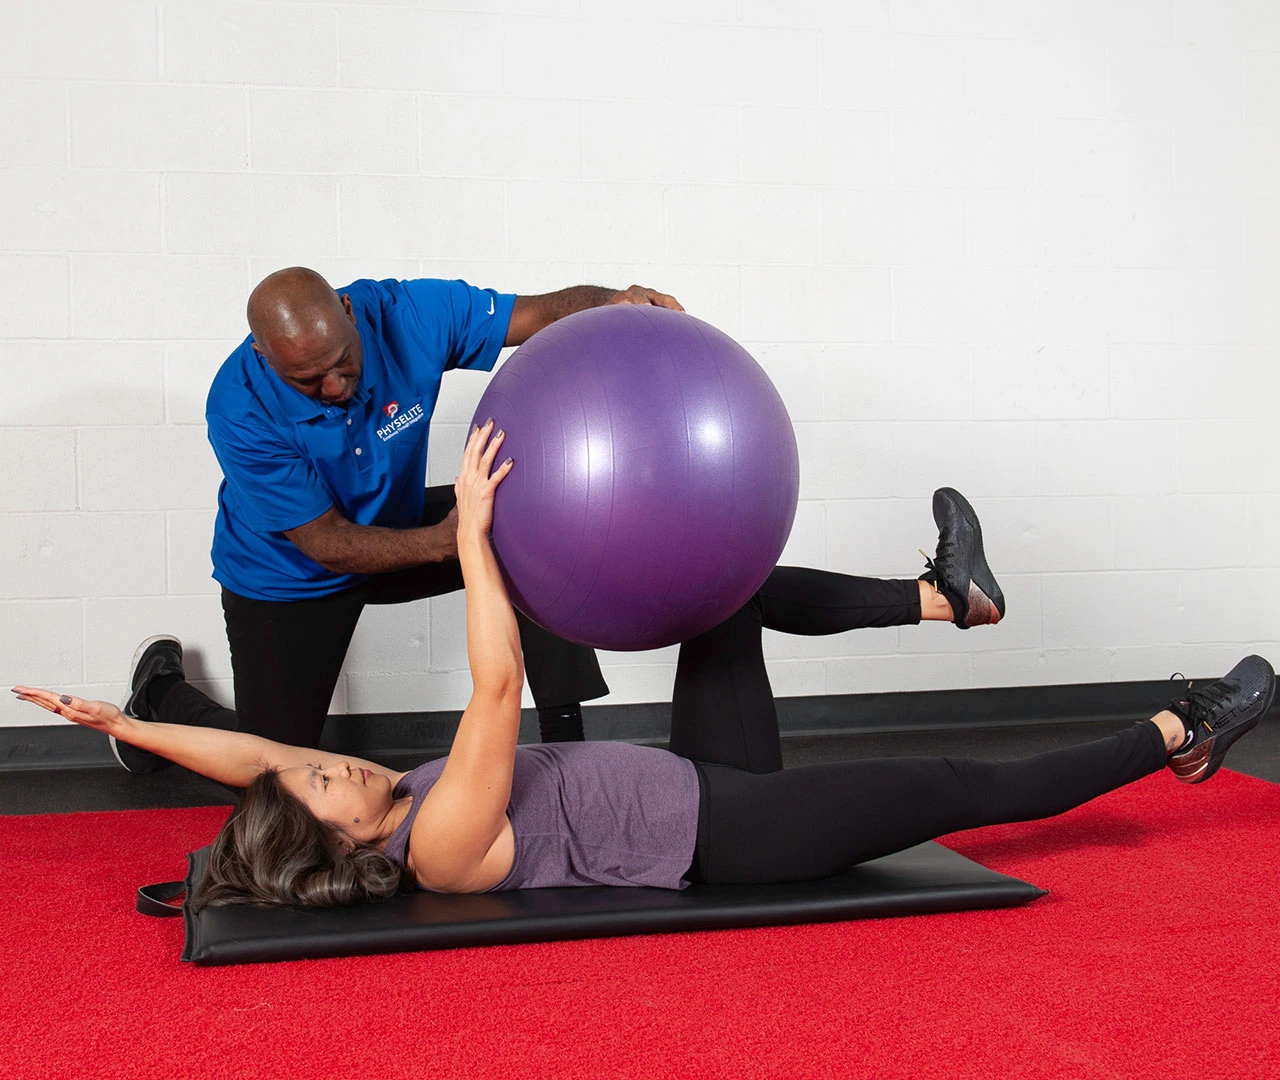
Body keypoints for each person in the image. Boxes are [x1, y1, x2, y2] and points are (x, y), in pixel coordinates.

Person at [15, 424, 1274, 907]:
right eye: (328, 790)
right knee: (955, 783)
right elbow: (500, 689)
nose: (331, 766)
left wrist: (127, 723)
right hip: (733, 835)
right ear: (345, 847)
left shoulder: (357, 803)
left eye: (318, 772)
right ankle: (1180, 729)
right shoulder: (436, 848)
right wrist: (472, 535)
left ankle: (946, 600)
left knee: (714, 592)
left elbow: (258, 759)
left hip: (694, 773)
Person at [114, 269, 686, 776]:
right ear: (264, 357)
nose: (335, 388)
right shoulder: (237, 407)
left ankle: (570, 756)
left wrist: (614, 301)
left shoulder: (408, 315)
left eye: (342, 363)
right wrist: (449, 540)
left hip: (398, 529)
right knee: (273, 779)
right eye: (309, 382)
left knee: (524, 524)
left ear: (347, 311)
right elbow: (327, 543)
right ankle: (161, 694)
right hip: (288, 578)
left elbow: (538, 312)